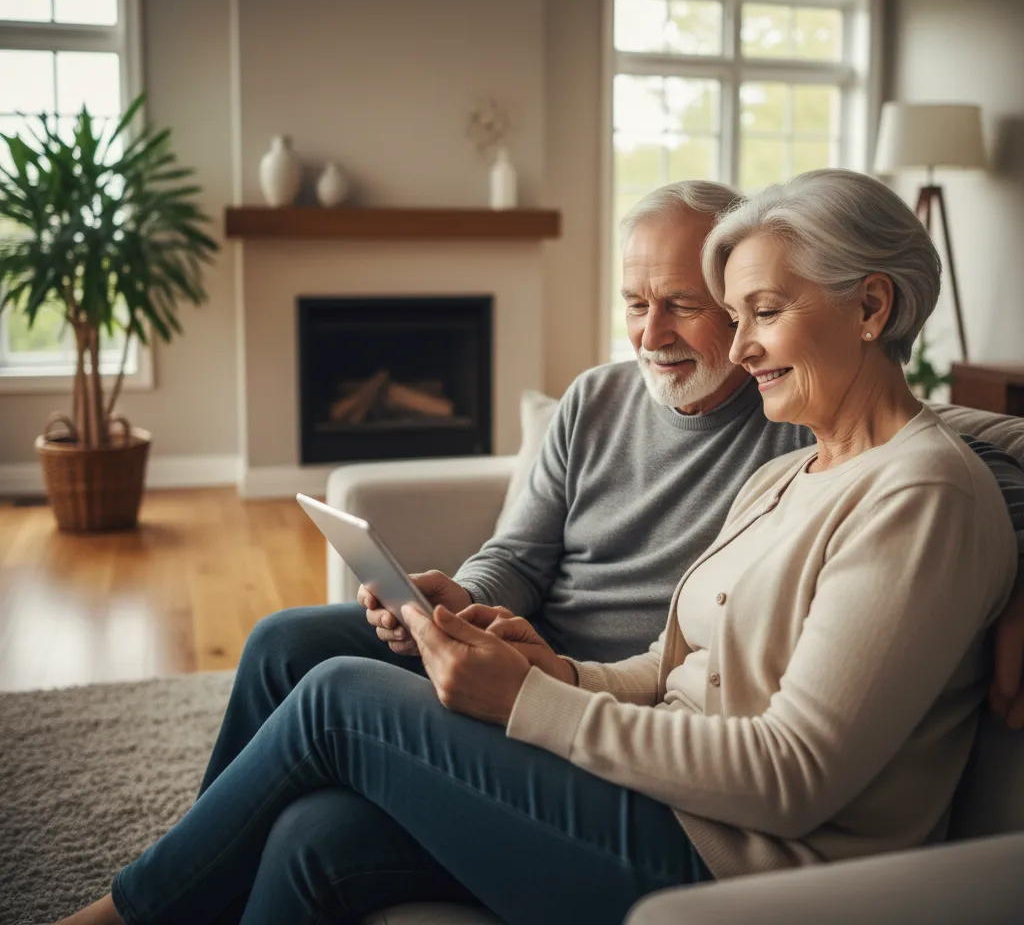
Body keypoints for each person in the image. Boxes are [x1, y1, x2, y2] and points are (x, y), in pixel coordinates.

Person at [60, 171, 1024, 925]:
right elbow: (669, 667)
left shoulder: (919, 489)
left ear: (870, 309)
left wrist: (531, 701)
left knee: (340, 700)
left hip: (749, 862)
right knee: (315, 830)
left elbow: (789, 773)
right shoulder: (792, 470)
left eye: (756, 314)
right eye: (735, 315)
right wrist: (545, 664)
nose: (740, 345)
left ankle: (131, 913)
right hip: (659, 784)